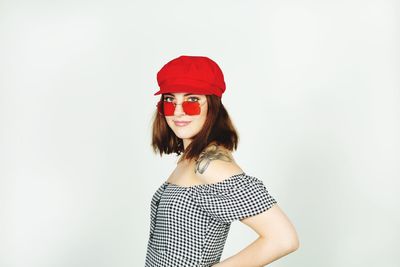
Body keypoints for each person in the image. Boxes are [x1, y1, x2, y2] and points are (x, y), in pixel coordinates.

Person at [145, 55, 299, 267]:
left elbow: (283, 239)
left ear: (212, 106)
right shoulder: (190, 159)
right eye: (170, 102)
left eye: (191, 102)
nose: (178, 112)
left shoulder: (212, 165)